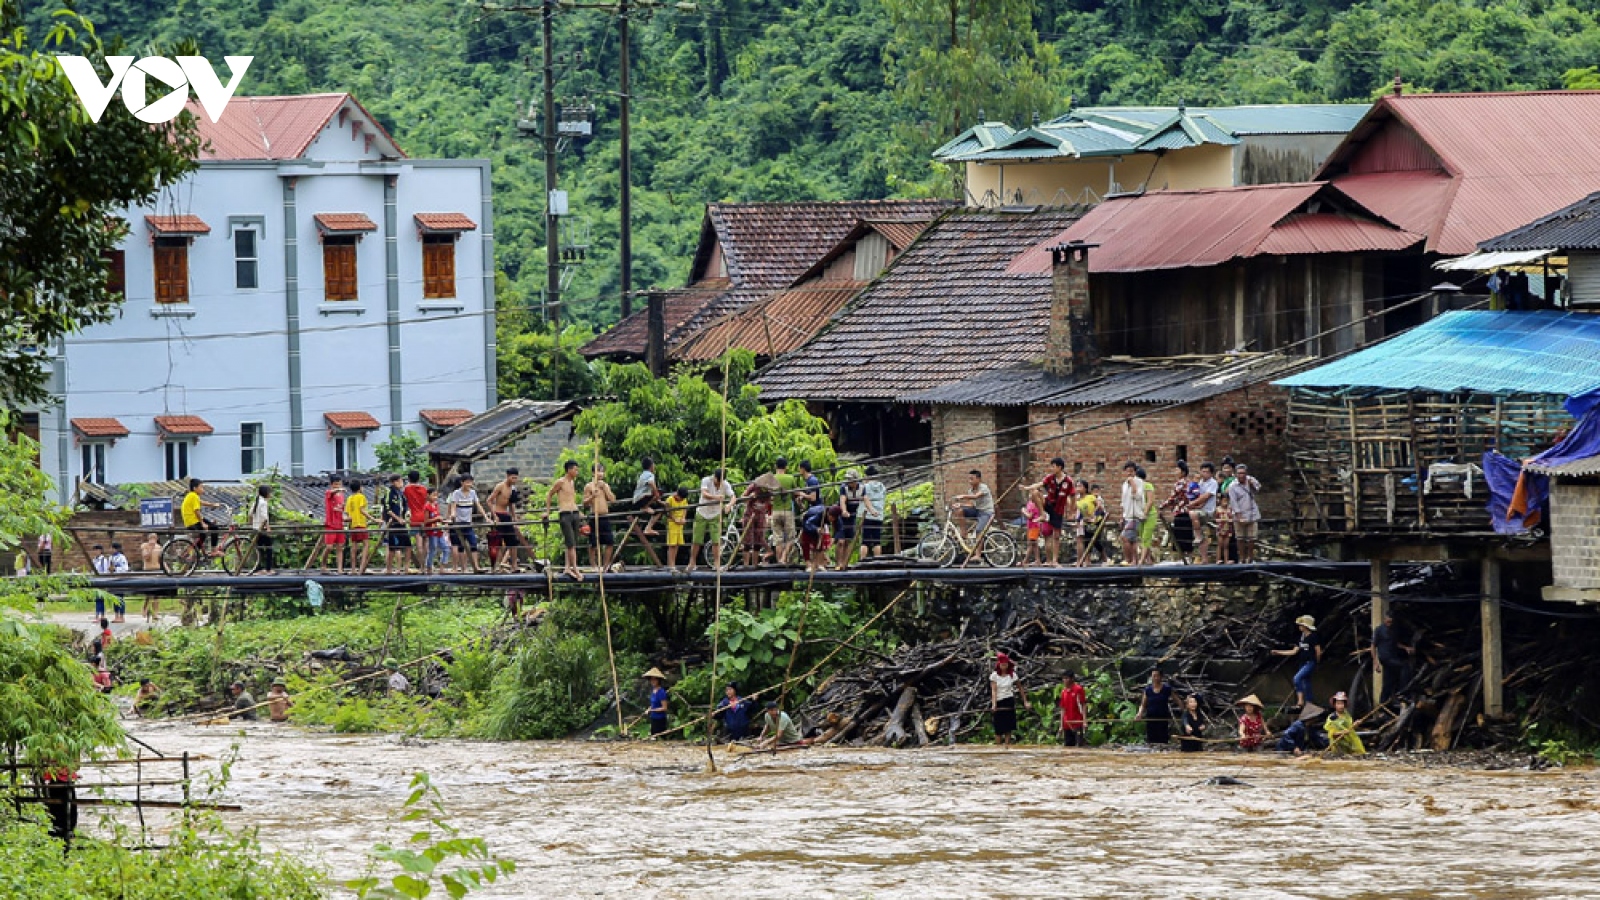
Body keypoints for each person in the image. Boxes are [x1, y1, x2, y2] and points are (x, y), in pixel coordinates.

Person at [1025, 458, 1074, 567]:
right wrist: (1027, 487)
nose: (1052, 468)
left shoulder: (1068, 481)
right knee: (1034, 492)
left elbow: (1071, 496)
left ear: (1059, 467)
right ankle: (1042, 514)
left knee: (1056, 536)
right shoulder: (1050, 478)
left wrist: (1072, 510)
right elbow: (1039, 484)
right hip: (1048, 505)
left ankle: (1054, 560)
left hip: (1058, 509)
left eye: (1053, 466)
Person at [1271, 614, 1322, 709]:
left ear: (1306, 626)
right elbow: (1294, 651)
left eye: (1301, 625)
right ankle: (1309, 702)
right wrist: (1278, 652)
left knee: (1297, 678)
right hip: (1302, 663)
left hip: (1310, 662)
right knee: (1306, 682)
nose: (1299, 627)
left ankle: (1300, 701)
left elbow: (1318, 651)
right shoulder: (1301, 638)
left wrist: (1317, 662)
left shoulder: (1313, 636)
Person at [690, 469, 735, 573]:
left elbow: (733, 497)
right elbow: (704, 494)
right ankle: (692, 562)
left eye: (720, 482)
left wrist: (729, 505)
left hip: (715, 514)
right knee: (697, 540)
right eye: (717, 481)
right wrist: (717, 497)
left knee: (716, 540)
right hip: (702, 512)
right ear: (714, 477)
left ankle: (716, 563)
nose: (718, 483)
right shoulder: (706, 480)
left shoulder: (725, 484)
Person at [547, 461, 584, 580]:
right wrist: (547, 512)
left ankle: (568, 567)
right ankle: (575, 568)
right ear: (569, 470)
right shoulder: (560, 482)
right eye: (575, 469)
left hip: (575, 512)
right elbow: (550, 494)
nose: (576, 472)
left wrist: (579, 511)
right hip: (565, 513)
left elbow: (571, 499)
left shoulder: (572, 482)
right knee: (570, 543)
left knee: (572, 544)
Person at [447, 474, 490, 573]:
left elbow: (478, 505)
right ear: (462, 482)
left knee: (473, 544)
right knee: (460, 546)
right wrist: (452, 515)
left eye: (470, 482)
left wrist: (486, 517)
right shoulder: (456, 493)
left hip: (468, 523)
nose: (469, 484)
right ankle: (462, 568)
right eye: (467, 482)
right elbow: (453, 506)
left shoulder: (473, 493)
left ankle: (476, 566)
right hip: (457, 523)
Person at [1372, 609, 1415, 705]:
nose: (1389, 623)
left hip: (1393, 656)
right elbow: (1373, 646)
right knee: (1405, 666)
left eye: (1391, 622)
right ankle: (1403, 693)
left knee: (1389, 680)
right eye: (1388, 621)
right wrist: (1375, 662)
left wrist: (1406, 648)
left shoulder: (1394, 630)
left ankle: (1383, 702)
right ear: (1385, 619)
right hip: (1385, 657)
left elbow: (1395, 643)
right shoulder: (1379, 630)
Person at [489, 469, 527, 572]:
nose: (514, 480)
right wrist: (494, 515)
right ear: (507, 476)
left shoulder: (513, 489)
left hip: (506, 516)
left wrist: (514, 518)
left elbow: (511, 504)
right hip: (498, 514)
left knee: (512, 542)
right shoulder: (500, 486)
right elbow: (489, 500)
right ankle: (497, 566)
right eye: (512, 477)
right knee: (497, 542)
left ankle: (514, 565)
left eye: (516, 478)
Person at [307, 476, 347, 573]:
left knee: (340, 547)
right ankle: (323, 565)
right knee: (329, 546)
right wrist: (338, 489)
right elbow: (331, 493)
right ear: (332, 484)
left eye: (339, 484)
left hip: (340, 524)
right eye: (336, 484)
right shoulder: (328, 493)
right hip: (330, 524)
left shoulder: (341, 496)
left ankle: (340, 569)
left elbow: (342, 508)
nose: (338, 486)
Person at [1225, 464, 1262, 564]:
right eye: (1239, 473)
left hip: (1252, 512)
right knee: (1240, 538)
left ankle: (1250, 557)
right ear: (1236, 474)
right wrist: (1239, 516)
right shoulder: (1233, 486)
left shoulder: (1251, 480)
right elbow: (1233, 502)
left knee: (1252, 538)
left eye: (1243, 473)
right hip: (1239, 513)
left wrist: (1251, 485)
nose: (1241, 475)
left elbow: (1258, 489)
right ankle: (1242, 557)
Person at [583, 465, 618, 572]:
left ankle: (606, 565)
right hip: (594, 516)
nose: (601, 474)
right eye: (598, 471)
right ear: (593, 473)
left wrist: (605, 489)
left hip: (604, 516)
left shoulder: (605, 485)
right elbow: (584, 503)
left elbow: (613, 500)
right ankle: (593, 565)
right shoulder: (589, 486)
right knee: (593, 543)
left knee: (609, 542)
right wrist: (592, 496)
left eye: (602, 471)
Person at [1159, 460, 1195, 562]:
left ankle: (1185, 557)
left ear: (1183, 472)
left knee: (1182, 535)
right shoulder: (1187, 483)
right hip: (1182, 511)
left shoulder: (1181, 483)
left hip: (1182, 511)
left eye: (1177, 469)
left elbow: (1173, 498)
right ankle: (1186, 557)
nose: (1175, 471)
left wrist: (1162, 506)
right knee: (1183, 535)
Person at [180, 479, 223, 557]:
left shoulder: (191, 495)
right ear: (194, 488)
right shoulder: (194, 496)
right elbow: (197, 511)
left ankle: (195, 554)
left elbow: (202, 502)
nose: (202, 489)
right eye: (201, 487)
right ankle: (214, 550)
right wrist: (203, 523)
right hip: (194, 521)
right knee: (214, 528)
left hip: (189, 522)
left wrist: (213, 505)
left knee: (203, 535)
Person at [950, 469, 995, 541]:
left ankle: (978, 552)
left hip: (986, 512)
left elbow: (976, 496)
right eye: (969, 479)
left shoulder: (984, 487)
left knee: (979, 532)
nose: (969, 481)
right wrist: (960, 504)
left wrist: (964, 496)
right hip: (977, 511)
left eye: (972, 479)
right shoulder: (970, 491)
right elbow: (971, 505)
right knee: (959, 510)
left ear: (979, 479)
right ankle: (963, 533)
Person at [739, 475, 773, 569]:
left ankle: (755, 564)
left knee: (758, 540)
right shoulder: (753, 486)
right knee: (747, 540)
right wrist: (750, 497)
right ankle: (746, 565)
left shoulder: (769, 492)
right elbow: (742, 497)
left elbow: (768, 503)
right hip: (750, 515)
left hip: (760, 517)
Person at [770, 458, 799, 565]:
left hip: (775, 511)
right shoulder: (790, 478)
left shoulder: (772, 478)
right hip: (787, 511)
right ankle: (784, 558)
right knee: (791, 538)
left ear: (775, 466)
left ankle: (779, 562)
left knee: (778, 539)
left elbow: (769, 494)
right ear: (786, 467)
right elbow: (795, 493)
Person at [835, 471, 865, 570]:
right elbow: (842, 500)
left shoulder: (861, 488)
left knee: (848, 540)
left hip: (852, 515)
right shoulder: (844, 487)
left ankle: (845, 563)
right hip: (842, 516)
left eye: (851, 480)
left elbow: (865, 499)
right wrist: (844, 511)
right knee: (840, 541)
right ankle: (838, 563)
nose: (849, 482)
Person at [383, 474, 413, 574]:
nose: (401, 483)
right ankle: (389, 569)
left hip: (402, 523)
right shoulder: (389, 492)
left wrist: (407, 512)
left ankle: (406, 568)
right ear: (393, 482)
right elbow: (388, 509)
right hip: (393, 523)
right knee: (393, 547)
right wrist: (397, 518)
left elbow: (406, 505)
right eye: (399, 481)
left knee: (408, 546)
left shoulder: (401, 494)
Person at [1190, 462, 1219, 564]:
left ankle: (1198, 535)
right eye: (1203, 471)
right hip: (1198, 510)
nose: (1204, 473)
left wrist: (1193, 504)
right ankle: (1203, 558)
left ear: (1211, 473)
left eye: (1207, 472)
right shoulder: (1200, 482)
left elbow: (1206, 496)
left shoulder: (1213, 483)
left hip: (1207, 511)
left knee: (1193, 515)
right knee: (1201, 533)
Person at [989, 652, 1019, 746]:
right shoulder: (994, 675)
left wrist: (1025, 701)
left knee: (1008, 727)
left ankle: (1007, 745)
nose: (1004, 667)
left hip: (1009, 700)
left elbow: (1020, 687)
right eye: (1002, 665)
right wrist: (994, 704)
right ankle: (998, 747)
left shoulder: (1012, 675)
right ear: (999, 665)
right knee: (998, 728)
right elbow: (994, 691)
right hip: (999, 701)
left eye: (1005, 665)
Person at [1119, 462, 1146, 566]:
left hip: (1136, 515)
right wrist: (1122, 516)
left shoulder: (1139, 482)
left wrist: (1133, 484)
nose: (1129, 473)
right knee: (1132, 539)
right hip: (1128, 514)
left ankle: (1131, 560)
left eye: (1132, 471)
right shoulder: (1124, 484)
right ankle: (1133, 560)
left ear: (1135, 472)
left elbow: (1138, 496)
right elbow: (1124, 501)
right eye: (1127, 471)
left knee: (1126, 537)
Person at [1137, 669, 1174, 745]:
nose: (1156, 678)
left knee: (1163, 739)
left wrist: (1185, 711)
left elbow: (1177, 699)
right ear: (1151, 677)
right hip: (1151, 718)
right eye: (1154, 676)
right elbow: (1143, 705)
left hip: (1162, 718)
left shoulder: (1167, 689)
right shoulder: (1148, 690)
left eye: (1158, 676)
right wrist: (1139, 714)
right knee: (1151, 739)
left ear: (1161, 677)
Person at [403, 471, 430, 570]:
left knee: (418, 543)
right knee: (426, 541)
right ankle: (427, 565)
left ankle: (421, 566)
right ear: (419, 478)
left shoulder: (407, 489)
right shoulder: (424, 489)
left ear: (409, 478)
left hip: (414, 517)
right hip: (425, 516)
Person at [345, 478, 373, 574]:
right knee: (366, 545)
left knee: (354, 547)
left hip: (353, 525)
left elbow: (348, 514)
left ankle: (353, 569)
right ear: (360, 488)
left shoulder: (349, 498)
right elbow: (362, 510)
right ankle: (361, 568)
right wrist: (372, 519)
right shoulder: (361, 497)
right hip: (361, 524)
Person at [631, 456, 664, 537]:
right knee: (659, 491)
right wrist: (657, 494)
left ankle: (648, 528)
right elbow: (651, 483)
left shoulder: (642, 475)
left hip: (638, 501)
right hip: (641, 500)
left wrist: (658, 500)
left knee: (659, 509)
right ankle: (645, 508)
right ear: (651, 466)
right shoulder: (650, 474)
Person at [860, 465, 888, 559]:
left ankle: (862, 560)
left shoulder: (865, 487)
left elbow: (863, 497)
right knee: (877, 540)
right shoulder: (882, 486)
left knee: (865, 541)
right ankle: (878, 559)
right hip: (879, 515)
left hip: (868, 515)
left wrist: (871, 510)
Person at [249, 485, 276, 575]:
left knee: (259, 549)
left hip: (255, 528)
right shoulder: (263, 503)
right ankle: (268, 569)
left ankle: (258, 569)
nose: (270, 494)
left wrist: (252, 524)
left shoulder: (256, 501)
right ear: (266, 493)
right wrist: (268, 527)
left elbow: (250, 514)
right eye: (269, 492)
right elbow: (265, 517)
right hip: (262, 529)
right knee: (269, 549)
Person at [422, 489, 449, 574]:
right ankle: (429, 568)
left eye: (436, 495)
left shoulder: (435, 505)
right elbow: (426, 521)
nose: (435, 497)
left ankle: (442, 567)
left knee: (446, 549)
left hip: (439, 531)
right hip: (432, 532)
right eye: (433, 495)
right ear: (428, 495)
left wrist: (443, 521)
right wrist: (436, 519)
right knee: (433, 549)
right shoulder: (427, 507)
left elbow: (437, 518)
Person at [1137, 466, 1161, 565]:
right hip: (1139, 515)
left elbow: (1150, 501)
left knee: (1146, 537)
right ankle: (1148, 559)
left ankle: (1141, 560)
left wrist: (1145, 513)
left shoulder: (1147, 485)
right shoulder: (1135, 488)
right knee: (1141, 536)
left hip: (1149, 514)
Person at [1058, 671, 1088, 747]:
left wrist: (1084, 721)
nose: (1064, 680)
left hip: (1077, 722)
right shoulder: (1063, 692)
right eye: (1063, 678)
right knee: (1068, 747)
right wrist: (1061, 725)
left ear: (1072, 679)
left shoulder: (1078, 689)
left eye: (1066, 678)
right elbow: (1062, 709)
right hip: (1067, 724)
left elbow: (1083, 705)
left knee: (1079, 746)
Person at [799, 498, 828, 572]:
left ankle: (818, 564)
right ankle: (808, 564)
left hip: (818, 527)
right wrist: (816, 529)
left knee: (818, 544)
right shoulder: (815, 514)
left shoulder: (826, 513)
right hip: (807, 526)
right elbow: (807, 523)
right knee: (806, 544)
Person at [664, 487, 689, 571]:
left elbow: (685, 508)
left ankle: (673, 564)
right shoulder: (670, 499)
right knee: (672, 545)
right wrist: (675, 519)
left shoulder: (684, 500)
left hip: (680, 524)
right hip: (672, 523)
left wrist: (683, 518)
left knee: (677, 545)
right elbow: (668, 512)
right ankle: (671, 565)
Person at [1020, 489, 1047, 567]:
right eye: (1029, 494)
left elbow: (1030, 516)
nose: (1030, 495)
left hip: (1034, 526)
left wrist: (1023, 511)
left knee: (1031, 543)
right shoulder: (1029, 503)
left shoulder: (1034, 504)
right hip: (1030, 525)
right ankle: (1037, 560)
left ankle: (1025, 561)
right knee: (1033, 543)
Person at [644, 667, 670, 737]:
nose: (653, 681)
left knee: (660, 738)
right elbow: (653, 704)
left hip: (660, 720)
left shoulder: (661, 692)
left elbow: (664, 708)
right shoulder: (653, 690)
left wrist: (653, 710)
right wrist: (648, 709)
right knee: (653, 737)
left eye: (655, 679)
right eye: (651, 679)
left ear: (658, 680)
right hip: (653, 718)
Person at [107, 544, 129, 620]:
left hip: (120, 579)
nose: (111, 550)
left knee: (120, 598)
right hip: (113, 579)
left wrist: (115, 569)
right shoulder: (110, 558)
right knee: (114, 598)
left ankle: (122, 616)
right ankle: (116, 615)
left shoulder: (122, 557)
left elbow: (125, 568)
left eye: (112, 548)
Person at [1214, 493, 1235, 565]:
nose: (1225, 502)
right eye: (1223, 500)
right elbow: (1215, 519)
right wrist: (1220, 520)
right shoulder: (1218, 509)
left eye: (1226, 500)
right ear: (1220, 501)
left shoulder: (1230, 509)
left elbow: (1232, 518)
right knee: (1220, 544)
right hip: (1220, 528)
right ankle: (1218, 559)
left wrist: (1230, 520)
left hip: (1228, 528)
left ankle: (1226, 560)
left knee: (1226, 545)